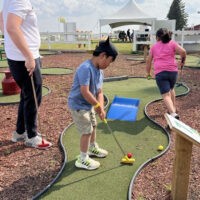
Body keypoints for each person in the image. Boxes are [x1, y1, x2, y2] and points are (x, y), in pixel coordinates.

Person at [0, 0, 52, 149]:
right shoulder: (19, 0)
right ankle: (31, 136)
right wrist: (29, 56)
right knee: (33, 96)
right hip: (23, 57)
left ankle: (20, 131)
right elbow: (11, 27)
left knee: (27, 95)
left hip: (17, 56)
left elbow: (2, 20)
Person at [68, 37, 118, 170]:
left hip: (89, 104)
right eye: (109, 61)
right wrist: (96, 105)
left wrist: (101, 108)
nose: (109, 65)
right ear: (103, 56)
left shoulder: (100, 72)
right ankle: (82, 159)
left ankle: (92, 148)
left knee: (93, 125)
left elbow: (99, 92)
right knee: (86, 130)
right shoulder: (85, 68)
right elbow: (84, 91)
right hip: (79, 105)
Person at [146, 28, 186, 119]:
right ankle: (173, 108)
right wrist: (183, 61)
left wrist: (148, 73)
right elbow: (183, 52)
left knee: (165, 95)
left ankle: (173, 114)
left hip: (161, 73)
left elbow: (148, 61)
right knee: (171, 89)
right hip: (173, 72)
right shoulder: (172, 43)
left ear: (157, 37)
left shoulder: (154, 47)